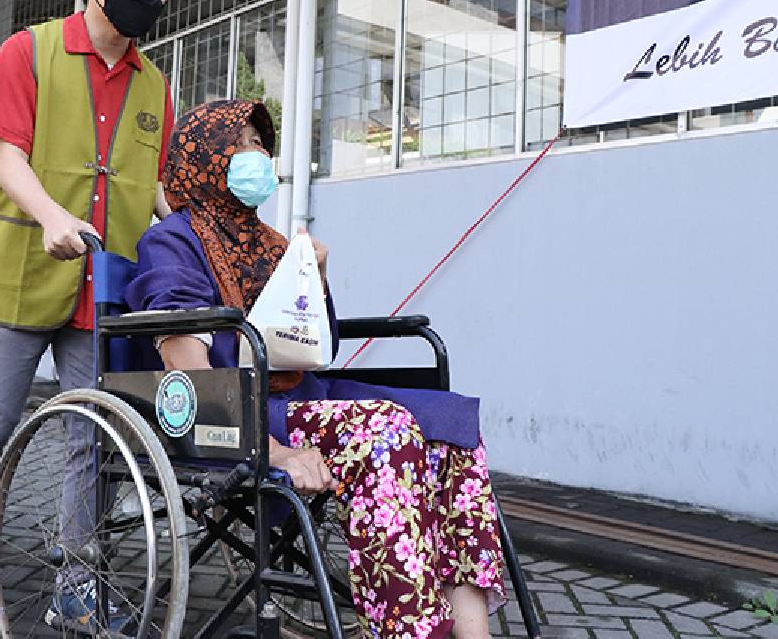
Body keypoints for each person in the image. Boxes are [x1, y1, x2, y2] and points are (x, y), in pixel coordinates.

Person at [125, 100, 507, 639]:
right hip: (238, 408)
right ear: (207, 156)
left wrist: (315, 277)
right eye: (244, 143)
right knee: (385, 433)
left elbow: (311, 343)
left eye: (262, 145)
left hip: (304, 393)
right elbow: (185, 362)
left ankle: (472, 632)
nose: (260, 156)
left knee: (449, 426)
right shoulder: (172, 241)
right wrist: (272, 450)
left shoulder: (273, 243)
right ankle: (412, 630)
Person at [0, 0, 177, 631]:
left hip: (106, 289)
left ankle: (79, 572)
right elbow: (7, 152)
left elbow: (158, 187)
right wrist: (51, 217)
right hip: (23, 269)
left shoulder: (155, 85)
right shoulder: (29, 51)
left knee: (92, 437)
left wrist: (201, 236)